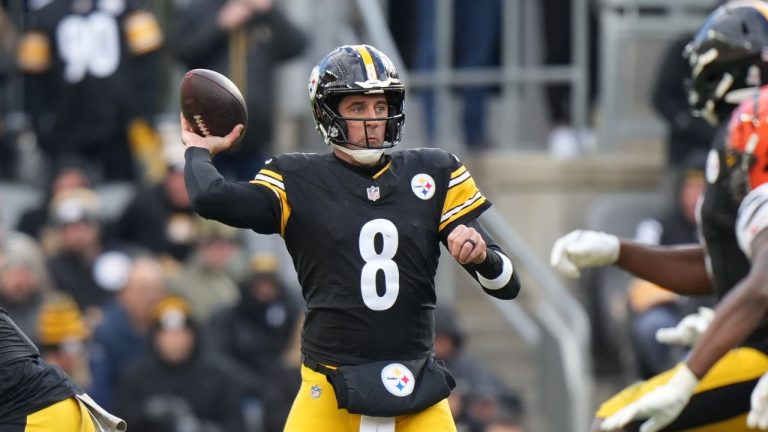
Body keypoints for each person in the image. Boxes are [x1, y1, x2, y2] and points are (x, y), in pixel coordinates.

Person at [182, 44, 521, 431]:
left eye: (380, 106)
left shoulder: (434, 171)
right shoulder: (297, 177)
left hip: (415, 384)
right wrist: (197, 150)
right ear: (327, 113)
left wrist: (481, 258)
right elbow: (213, 198)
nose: (372, 119)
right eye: (357, 108)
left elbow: (507, 284)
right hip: (329, 383)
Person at [549, 2, 768, 431]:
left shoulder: (755, 129)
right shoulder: (739, 132)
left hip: (760, 354)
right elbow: (721, 264)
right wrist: (618, 251)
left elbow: (763, 279)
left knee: (616, 422)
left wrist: (688, 377)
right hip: (754, 348)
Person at [17, 0, 165, 183]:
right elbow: (33, 75)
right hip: (66, 126)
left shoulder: (132, 9)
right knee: (71, 191)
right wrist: (41, 123)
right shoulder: (43, 16)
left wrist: (143, 112)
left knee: (122, 189)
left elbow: (150, 63)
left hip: (121, 124)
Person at [173, 0, 307, 180]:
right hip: (207, 131)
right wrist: (219, 25)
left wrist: (269, 11)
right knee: (209, 199)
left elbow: (296, 46)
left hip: (254, 136)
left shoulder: (265, 12)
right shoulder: (200, 7)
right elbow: (182, 51)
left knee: (254, 200)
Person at [116, 296, 247, 432]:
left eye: (180, 333)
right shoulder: (136, 376)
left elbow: (236, 423)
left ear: (193, 336)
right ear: (155, 338)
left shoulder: (218, 377)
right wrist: (147, 412)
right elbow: (118, 422)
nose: (175, 341)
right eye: (168, 334)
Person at [0, 305, 125, 431]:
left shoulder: (97, 365)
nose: (65, 357)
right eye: (54, 349)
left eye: (75, 346)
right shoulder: (42, 371)